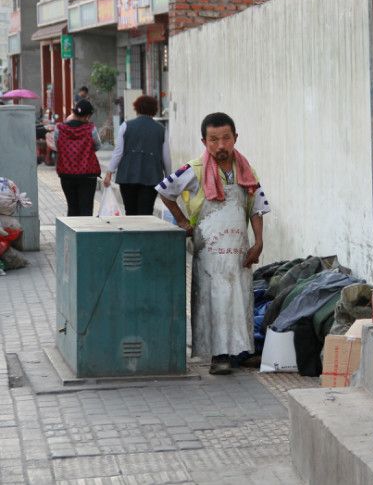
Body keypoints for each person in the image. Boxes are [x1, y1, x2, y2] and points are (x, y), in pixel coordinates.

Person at [157, 112, 269, 375]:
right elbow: (164, 190)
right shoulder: (193, 170)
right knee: (214, 302)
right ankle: (219, 357)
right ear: (204, 141)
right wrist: (183, 221)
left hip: (239, 253)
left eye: (226, 138)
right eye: (214, 139)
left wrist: (259, 242)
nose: (221, 145)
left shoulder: (247, 170)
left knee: (240, 301)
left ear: (235, 138)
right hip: (209, 255)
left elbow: (257, 207)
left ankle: (241, 352)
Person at [103, 95, 171, 215]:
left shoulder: (126, 125)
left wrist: (109, 172)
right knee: (146, 212)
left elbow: (118, 152)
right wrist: (169, 177)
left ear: (137, 108)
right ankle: (144, 233)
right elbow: (166, 157)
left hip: (127, 176)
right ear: (154, 110)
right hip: (151, 176)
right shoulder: (161, 129)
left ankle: (131, 233)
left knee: (130, 211)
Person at [54, 100, 101, 216]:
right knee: (86, 208)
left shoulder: (59, 129)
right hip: (88, 175)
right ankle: (86, 233)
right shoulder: (91, 129)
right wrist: (85, 151)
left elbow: (57, 145)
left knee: (72, 207)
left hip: (66, 174)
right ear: (87, 116)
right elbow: (97, 145)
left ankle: (72, 233)